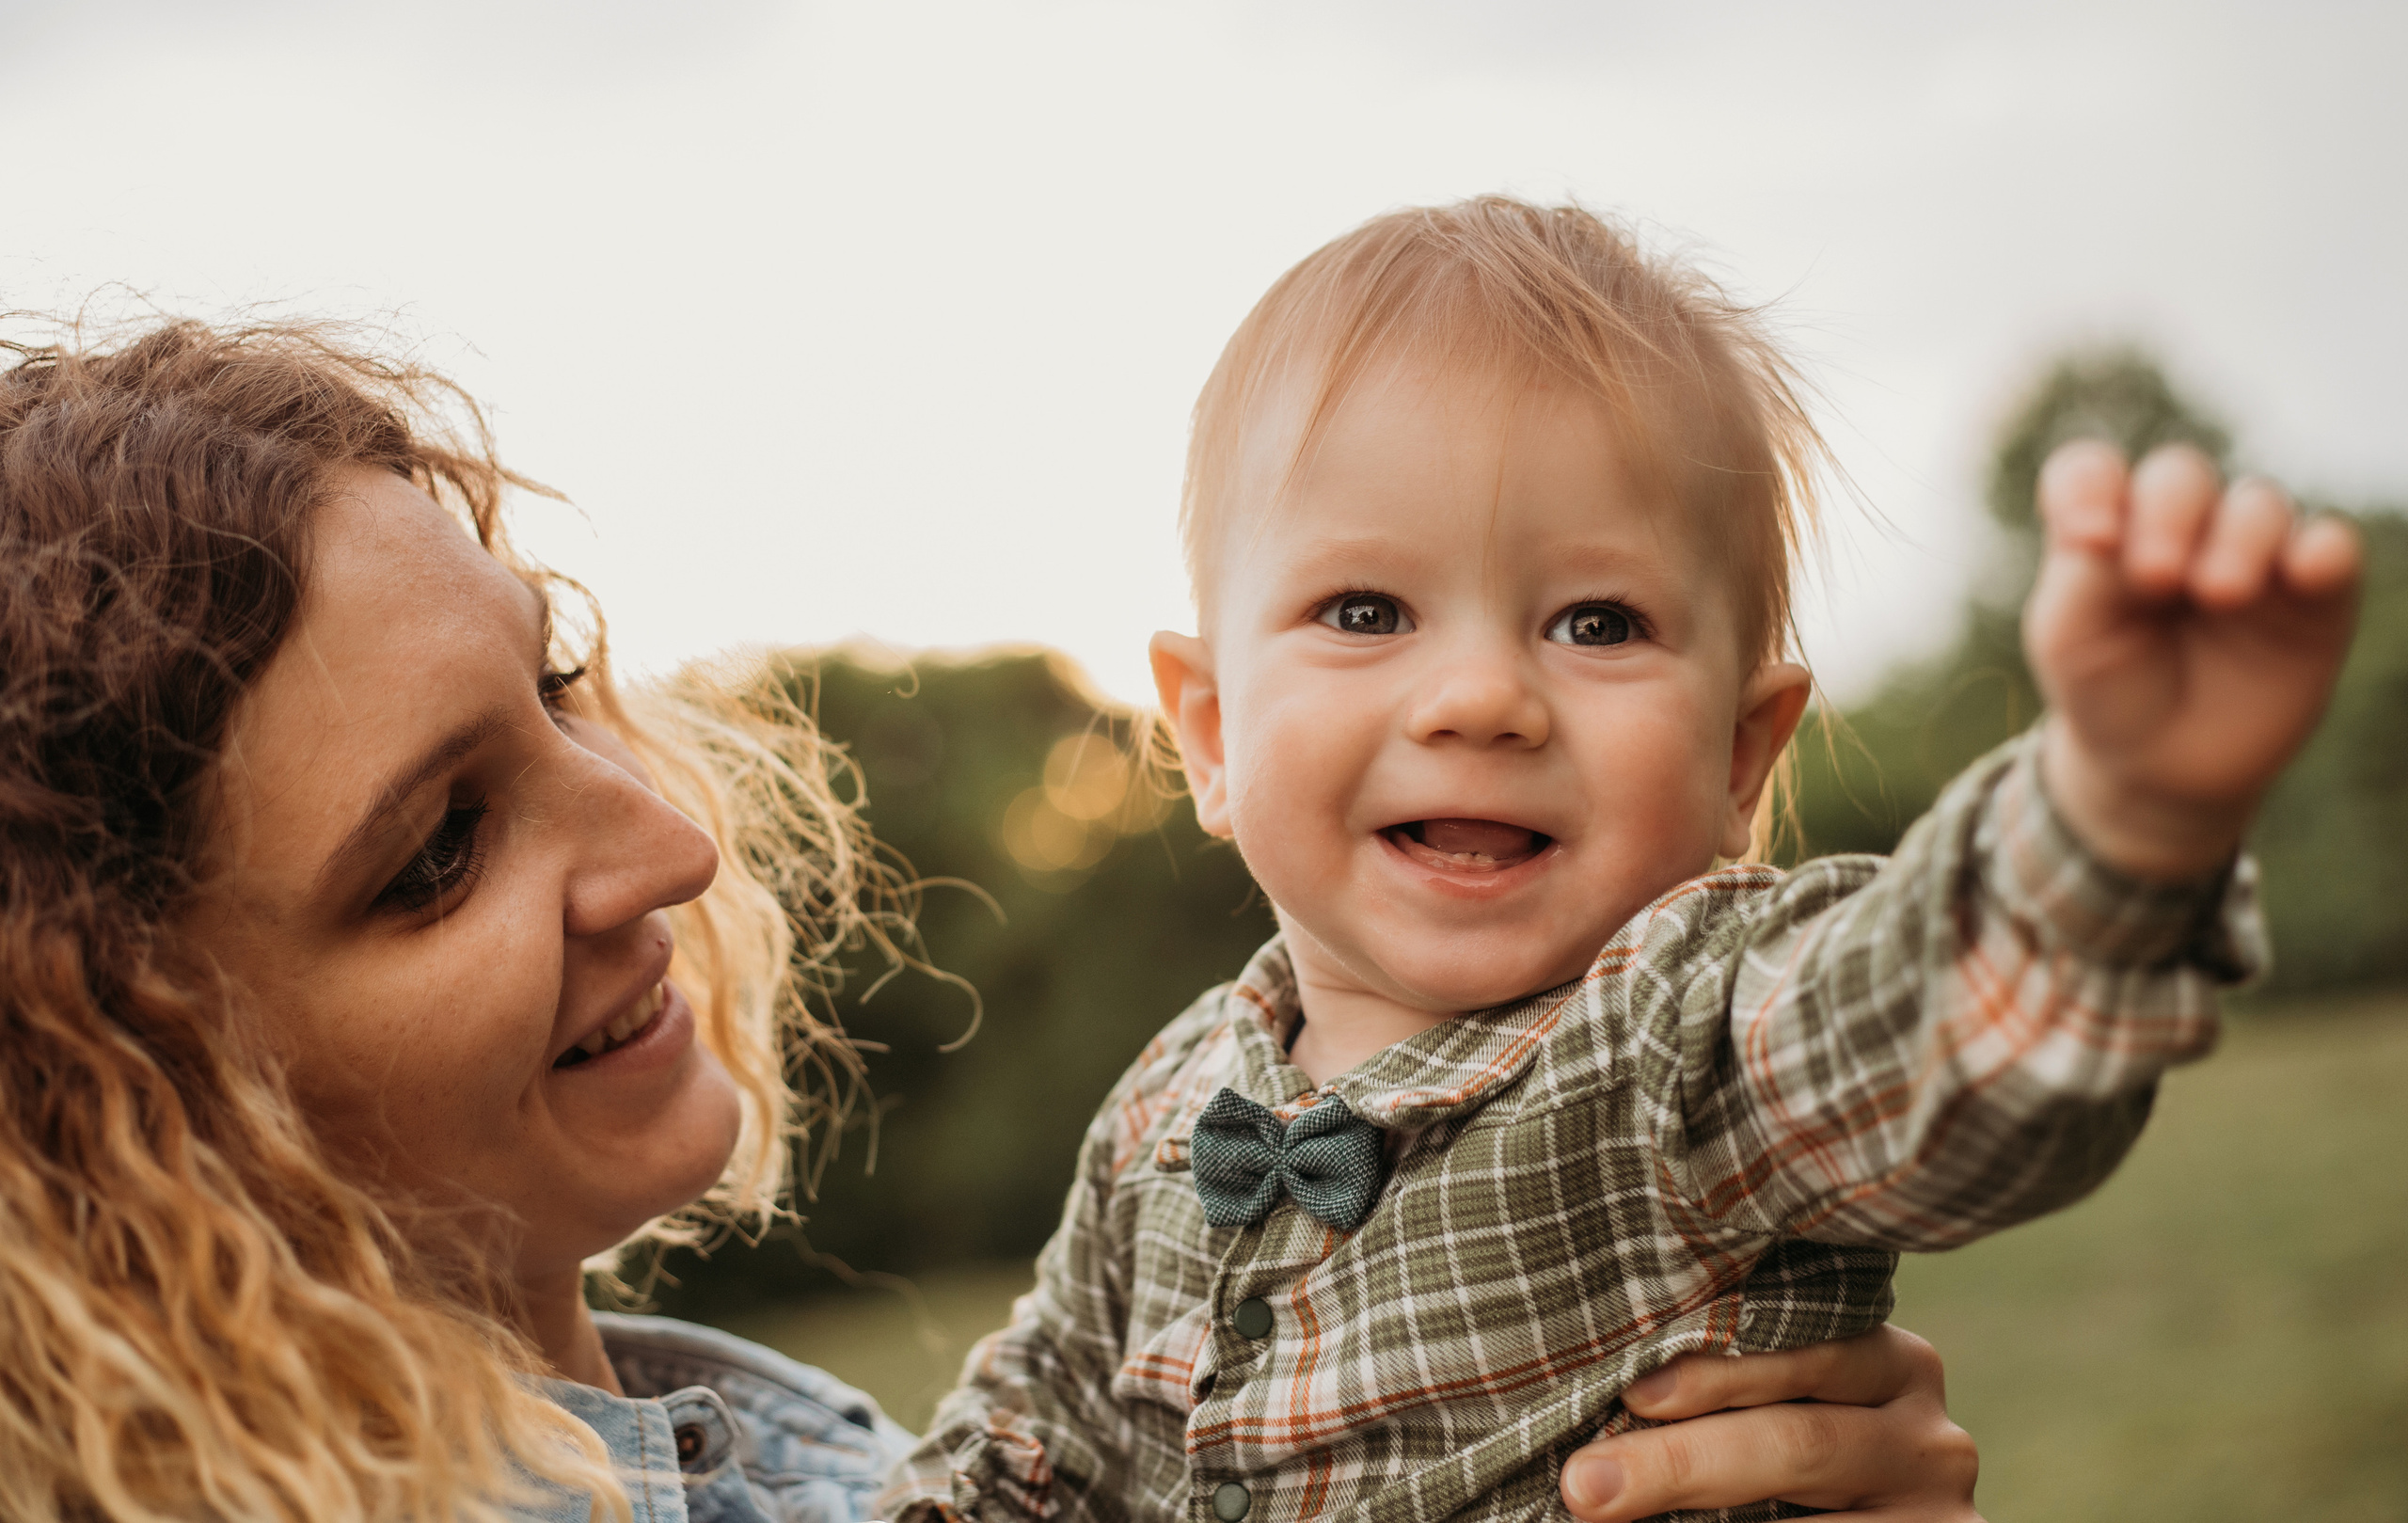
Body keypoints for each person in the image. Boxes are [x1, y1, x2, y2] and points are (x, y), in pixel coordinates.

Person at [0, 317, 1988, 1522]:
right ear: (131, 1094)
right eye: (438, 850)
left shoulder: (855, 1472)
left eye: (561, 687)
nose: (663, 844)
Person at [885, 198, 2364, 1523]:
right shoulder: (1159, 1116)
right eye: (1365, 610)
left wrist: (2121, 819)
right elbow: (1033, 1442)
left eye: (1597, 623)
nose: (1479, 698)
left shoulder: (1676, 1042)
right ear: (1209, 732)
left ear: (1739, 755)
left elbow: (1926, 1034)